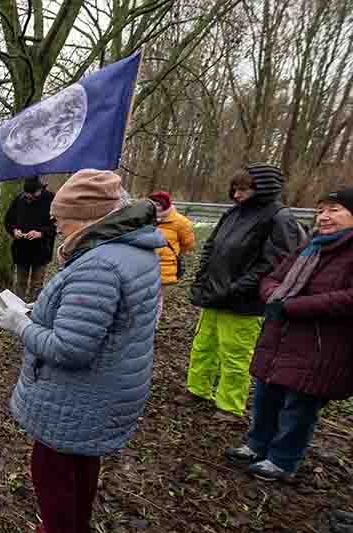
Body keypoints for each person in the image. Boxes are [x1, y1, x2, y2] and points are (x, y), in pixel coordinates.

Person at [0, 169, 164, 533]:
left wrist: (21, 324)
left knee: (52, 467)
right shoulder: (132, 250)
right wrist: (45, 311)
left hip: (81, 391)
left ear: (87, 216)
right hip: (109, 384)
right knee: (82, 460)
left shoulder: (98, 265)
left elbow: (70, 348)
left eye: (61, 216)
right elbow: (100, 319)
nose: (55, 223)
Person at [224, 187, 353, 481]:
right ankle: (256, 445)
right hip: (281, 335)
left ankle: (282, 459)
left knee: (299, 405)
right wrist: (273, 296)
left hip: (321, 344)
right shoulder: (310, 246)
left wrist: (296, 306)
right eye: (320, 210)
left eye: (334, 209)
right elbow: (273, 277)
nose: (324, 216)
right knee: (267, 395)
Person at [184, 163, 304, 421]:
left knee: (235, 354)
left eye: (244, 189)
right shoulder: (233, 213)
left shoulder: (278, 218)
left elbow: (276, 262)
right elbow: (211, 247)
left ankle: (229, 405)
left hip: (244, 303)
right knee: (203, 345)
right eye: (235, 189)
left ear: (263, 188)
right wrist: (201, 280)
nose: (237, 195)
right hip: (214, 295)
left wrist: (237, 288)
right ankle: (198, 389)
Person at [3, 176, 57, 302]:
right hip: (21, 249)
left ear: (39, 190)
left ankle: (34, 311)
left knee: (37, 284)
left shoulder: (51, 199)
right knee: (20, 282)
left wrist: (41, 233)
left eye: (32, 196)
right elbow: (8, 221)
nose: (29, 198)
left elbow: (57, 224)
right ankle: (17, 309)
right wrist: (14, 230)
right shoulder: (19, 199)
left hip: (42, 250)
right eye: (26, 196)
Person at [148, 191, 196, 320]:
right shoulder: (145, 218)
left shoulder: (180, 222)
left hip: (164, 267)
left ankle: (153, 324)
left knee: (156, 299)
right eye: (153, 203)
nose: (156, 207)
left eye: (159, 204)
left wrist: (171, 253)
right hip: (143, 265)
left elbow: (188, 244)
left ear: (166, 205)